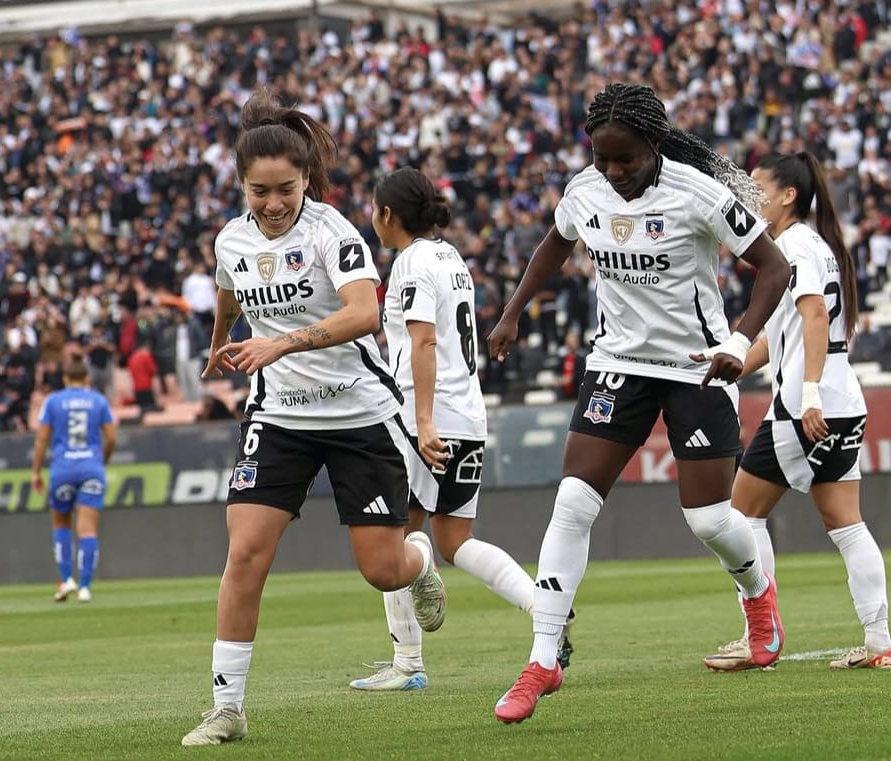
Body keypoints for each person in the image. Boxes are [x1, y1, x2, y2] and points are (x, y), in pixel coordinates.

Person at [486, 83, 791, 724]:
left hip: (697, 369)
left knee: (708, 521)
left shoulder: (698, 193)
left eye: (626, 159)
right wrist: (513, 312)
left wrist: (738, 340)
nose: (615, 172)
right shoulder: (584, 190)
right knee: (572, 502)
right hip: (617, 365)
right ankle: (544, 659)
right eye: (604, 159)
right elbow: (553, 245)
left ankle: (758, 593)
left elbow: (773, 267)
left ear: (654, 145)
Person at [181, 88, 447, 746]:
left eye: (286, 190)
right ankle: (227, 707)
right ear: (242, 184)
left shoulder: (332, 232)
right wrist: (221, 339)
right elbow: (228, 285)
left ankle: (419, 558)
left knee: (380, 569)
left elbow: (362, 311)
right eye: (259, 190)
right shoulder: (232, 238)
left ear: (306, 180)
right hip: (280, 417)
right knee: (244, 553)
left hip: (360, 413)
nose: (273, 204)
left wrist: (281, 342)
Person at [350, 167, 570, 693]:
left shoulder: (408, 265)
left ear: (387, 215)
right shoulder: (451, 259)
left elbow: (422, 343)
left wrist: (422, 420)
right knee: (456, 538)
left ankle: (407, 664)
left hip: (426, 416)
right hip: (469, 412)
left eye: (373, 210)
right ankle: (545, 607)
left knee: (398, 536)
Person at [703, 152, 891, 673]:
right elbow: (781, 334)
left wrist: (808, 393)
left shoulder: (791, 245)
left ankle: (758, 637)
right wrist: (734, 365)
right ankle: (880, 644)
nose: (752, 196)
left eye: (759, 187)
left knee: (738, 517)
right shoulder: (817, 245)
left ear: (788, 195)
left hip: (804, 407)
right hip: (842, 401)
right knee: (847, 524)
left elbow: (814, 315)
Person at [30, 357, 117, 603]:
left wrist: (36, 471)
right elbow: (111, 438)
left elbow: (41, 440)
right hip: (91, 468)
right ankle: (86, 587)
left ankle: (67, 579)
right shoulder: (98, 400)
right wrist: (102, 460)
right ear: (87, 379)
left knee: (61, 526)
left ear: (66, 379)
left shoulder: (53, 401)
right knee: (87, 529)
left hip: (62, 469)